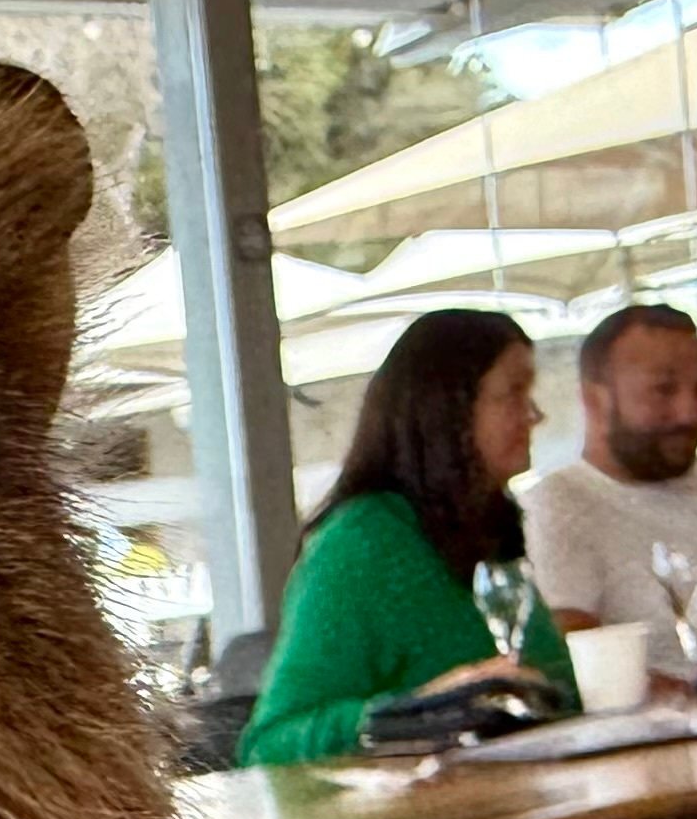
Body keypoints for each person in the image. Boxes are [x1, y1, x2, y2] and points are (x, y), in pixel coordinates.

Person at [238, 309, 579, 766]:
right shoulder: (360, 546)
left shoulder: (491, 524)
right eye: (513, 393)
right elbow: (270, 744)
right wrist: (417, 712)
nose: (534, 415)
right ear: (447, 408)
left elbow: (546, 690)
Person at [519, 302, 697, 679]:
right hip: (678, 724)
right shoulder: (561, 502)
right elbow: (574, 663)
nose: (690, 413)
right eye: (664, 390)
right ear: (595, 400)